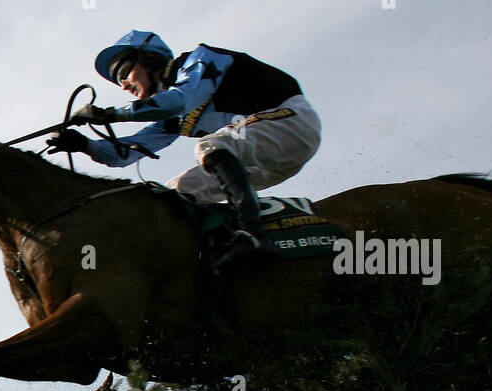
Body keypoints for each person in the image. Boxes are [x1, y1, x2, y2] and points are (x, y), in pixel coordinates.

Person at [48, 30, 320, 271]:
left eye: (124, 73)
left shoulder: (201, 59)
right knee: (177, 192)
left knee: (209, 146)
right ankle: (210, 258)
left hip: (292, 121)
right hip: (272, 156)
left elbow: (180, 100)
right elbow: (127, 154)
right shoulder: (170, 119)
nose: (123, 85)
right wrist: (84, 145)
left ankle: (252, 235)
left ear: (149, 59)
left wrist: (110, 114)